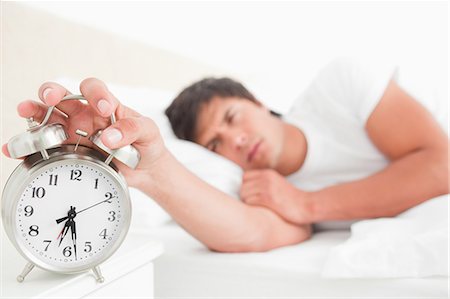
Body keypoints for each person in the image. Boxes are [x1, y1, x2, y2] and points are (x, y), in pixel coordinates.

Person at [2, 58, 449, 252]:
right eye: (215, 144)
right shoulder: (263, 190)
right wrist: (152, 165)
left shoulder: (339, 85)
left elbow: (441, 163)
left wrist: (309, 204)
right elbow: (252, 234)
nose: (233, 141)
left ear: (258, 101)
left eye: (233, 117)